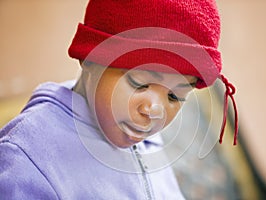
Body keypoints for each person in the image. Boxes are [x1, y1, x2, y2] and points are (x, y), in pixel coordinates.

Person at [0, 0, 238, 199]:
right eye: (139, 83)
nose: (154, 111)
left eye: (175, 96)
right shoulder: (28, 158)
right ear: (90, 56)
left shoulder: (144, 141)